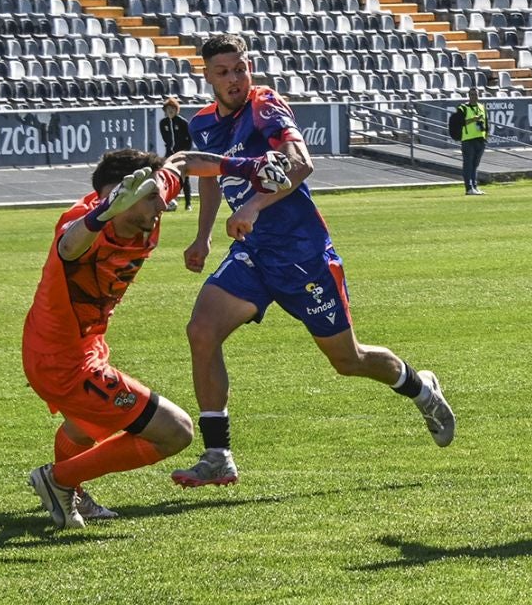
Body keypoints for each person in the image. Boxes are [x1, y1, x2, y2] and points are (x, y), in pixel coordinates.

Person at [171, 33, 455, 487]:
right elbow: (209, 174)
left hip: (302, 255)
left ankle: (421, 390)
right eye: (222, 73)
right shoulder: (202, 123)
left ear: (250, 67)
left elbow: (301, 163)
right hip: (253, 254)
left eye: (239, 69)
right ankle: (218, 454)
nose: (234, 80)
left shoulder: (266, 107)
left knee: (348, 360)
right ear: (205, 76)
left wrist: (252, 206)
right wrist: (202, 236)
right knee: (201, 330)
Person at [21, 148, 211, 529]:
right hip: (63, 363)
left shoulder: (146, 202)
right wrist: (102, 213)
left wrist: (251, 167)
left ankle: (69, 492)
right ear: (120, 196)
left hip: (82, 348)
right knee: (176, 432)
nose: (165, 203)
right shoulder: (83, 221)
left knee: (84, 425)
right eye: (155, 196)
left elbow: (184, 161)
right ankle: (59, 481)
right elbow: (69, 246)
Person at [449, 86, 489, 195]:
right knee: (468, 164)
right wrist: (473, 120)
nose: (474, 97)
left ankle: (475, 186)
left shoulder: (481, 107)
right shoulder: (463, 108)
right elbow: (458, 123)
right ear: (468, 96)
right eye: (472, 95)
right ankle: (469, 187)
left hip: (479, 139)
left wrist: (486, 136)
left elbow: (486, 122)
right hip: (468, 140)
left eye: (476, 94)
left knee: (475, 165)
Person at [158, 97, 193, 209]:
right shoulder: (163, 123)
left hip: (181, 152)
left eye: (172, 109)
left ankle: (188, 204)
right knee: (164, 174)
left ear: (176, 109)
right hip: (169, 153)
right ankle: (167, 199)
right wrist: (169, 149)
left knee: (185, 177)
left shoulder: (182, 122)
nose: (170, 111)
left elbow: (189, 138)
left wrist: (185, 151)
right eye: (168, 109)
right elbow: (165, 138)